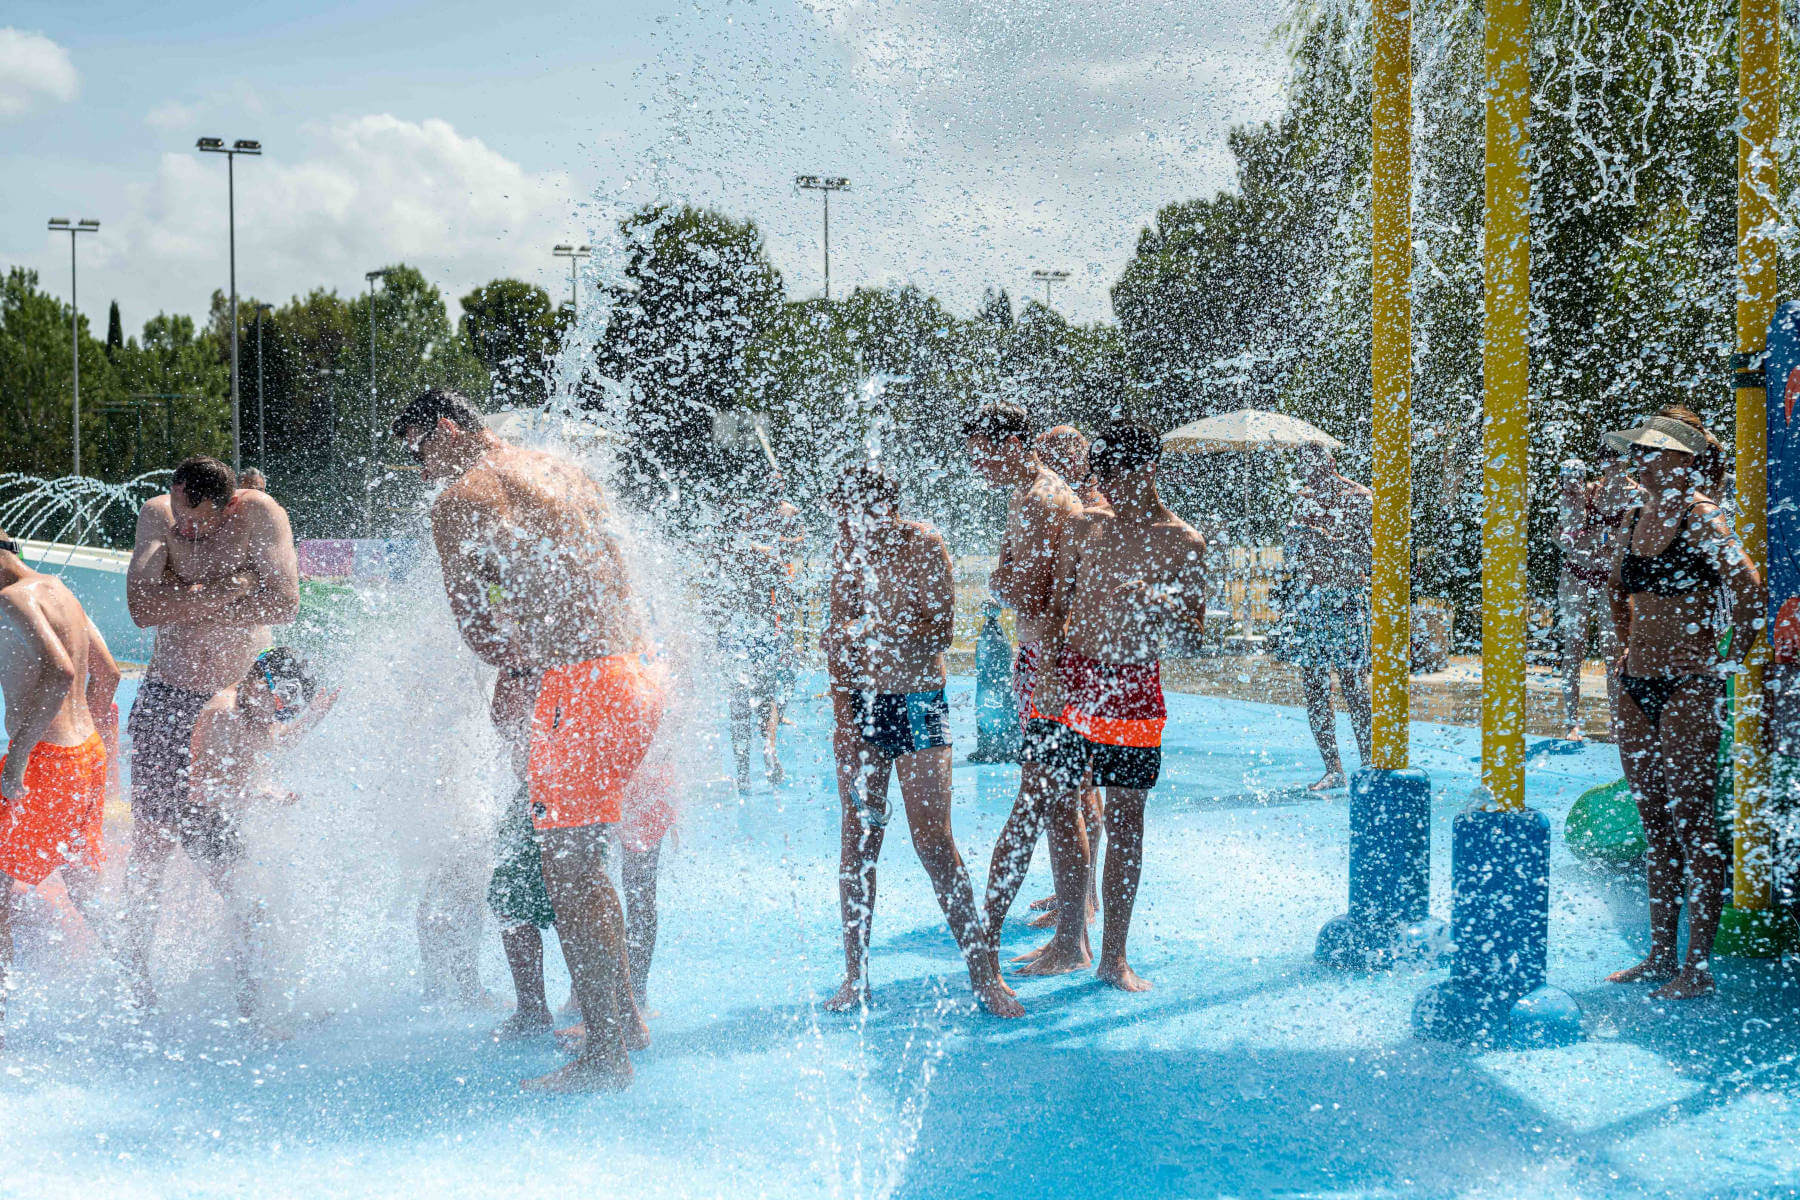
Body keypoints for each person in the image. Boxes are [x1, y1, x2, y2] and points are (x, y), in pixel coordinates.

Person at [393, 387, 658, 1092]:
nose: (423, 472)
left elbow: (478, 630)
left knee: (573, 876)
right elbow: (620, 574)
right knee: (587, 866)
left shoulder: (460, 500)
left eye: (419, 451)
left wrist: (523, 664)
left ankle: (605, 1057)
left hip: (578, 687)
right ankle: (623, 1021)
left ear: (446, 430)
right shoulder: (562, 469)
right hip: (632, 674)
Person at [820, 463, 1021, 1018]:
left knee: (934, 843)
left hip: (916, 703)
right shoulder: (845, 550)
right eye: (842, 516)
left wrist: (883, 617)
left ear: (886, 506)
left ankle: (984, 973)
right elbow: (836, 641)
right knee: (857, 845)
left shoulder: (924, 543)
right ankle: (855, 978)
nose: (848, 525)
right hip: (861, 708)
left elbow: (938, 629)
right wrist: (841, 719)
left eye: (857, 513)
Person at [1031, 420, 1207, 991]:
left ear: (1149, 470)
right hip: (1074, 679)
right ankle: (1068, 939)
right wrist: (1052, 675)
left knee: (1127, 821)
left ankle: (1115, 956)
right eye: (1102, 479)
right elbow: (1056, 608)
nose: (1110, 492)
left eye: (1119, 479)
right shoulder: (1086, 528)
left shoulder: (1183, 542)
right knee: (1060, 804)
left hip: (1133, 687)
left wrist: (1158, 601)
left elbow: (1193, 640)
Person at [122, 456, 299, 1009]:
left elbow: (284, 603)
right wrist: (229, 589)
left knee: (233, 848)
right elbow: (139, 609)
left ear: (226, 507)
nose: (181, 527)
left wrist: (185, 600)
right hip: (166, 696)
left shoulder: (260, 515)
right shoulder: (157, 517)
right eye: (175, 512)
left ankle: (254, 986)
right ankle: (136, 980)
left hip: (233, 708)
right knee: (149, 846)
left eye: (193, 518)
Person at [1604, 408, 1761, 1001]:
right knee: (1655, 824)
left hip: (1689, 687)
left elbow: (1748, 588)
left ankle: (1696, 968)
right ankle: (1658, 955)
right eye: (1637, 450)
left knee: (1692, 822)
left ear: (1683, 460)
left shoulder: (1703, 516)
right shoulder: (1636, 516)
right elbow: (1617, 589)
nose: (1638, 460)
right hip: (1635, 685)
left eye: (1651, 450)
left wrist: (1726, 660)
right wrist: (1623, 648)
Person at [962, 403, 1092, 975]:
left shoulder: (1041, 499)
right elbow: (1014, 578)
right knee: (1061, 802)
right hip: (1041, 655)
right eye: (971, 451)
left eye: (985, 449)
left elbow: (1028, 592)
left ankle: (1072, 939)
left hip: (1052, 660)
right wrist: (1006, 574)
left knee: (1053, 800)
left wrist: (1004, 576)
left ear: (1017, 443)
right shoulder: (1024, 493)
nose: (976, 462)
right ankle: (1073, 932)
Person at [0, 531, 120, 1049]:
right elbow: (109, 674)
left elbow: (61, 669)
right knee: (81, 882)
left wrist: (20, 757)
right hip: (84, 754)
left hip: (46, 760)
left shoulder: (13, 600)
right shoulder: (59, 589)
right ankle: (136, 978)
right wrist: (88, 748)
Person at [185, 646, 334, 1031]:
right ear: (256, 681)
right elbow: (202, 790)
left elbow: (275, 745)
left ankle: (269, 1001)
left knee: (268, 913)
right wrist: (261, 796)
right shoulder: (221, 713)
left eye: (286, 705)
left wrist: (315, 717)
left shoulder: (258, 710)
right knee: (251, 915)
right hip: (207, 826)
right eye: (277, 700)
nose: (278, 710)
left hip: (237, 822)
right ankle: (252, 1017)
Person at [1025, 425, 1107, 930]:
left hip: (1071, 657)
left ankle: (1086, 899)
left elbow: (1068, 594)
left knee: (1078, 783)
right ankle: (1072, 893)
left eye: (1067, 453)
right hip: (1052, 653)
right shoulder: (1062, 503)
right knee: (1071, 785)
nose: (1056, 462)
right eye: (1049, 453)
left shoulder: (1087, 509)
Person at [1274, 445, 1374, 790]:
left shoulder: (1360, 497)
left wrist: (1328, 541)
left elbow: (1370, 552)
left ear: (1331, 464)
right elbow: (1293, 551)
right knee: (1315, 686)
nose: (1311, 479)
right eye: (1305, 472)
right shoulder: (1304, 497)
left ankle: (1368, 763)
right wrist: (1297, 542)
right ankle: (1333, 768)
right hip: (1311, 598)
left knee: (1353, 684)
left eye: (1316, 470)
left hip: (1345, 597)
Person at [703, 502, 797, 791]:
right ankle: (769, 750)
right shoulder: (765, 557)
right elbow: (785, 599)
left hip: (735, 638)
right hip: (763, 636)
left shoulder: (719, 561)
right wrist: (788, 637)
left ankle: (743, 773)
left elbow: (711, 607)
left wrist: (714, 642)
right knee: (766, 697)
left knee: (739, 705)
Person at [1557, 454, 1642, 740]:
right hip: (1577, 574)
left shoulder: (1638, 495)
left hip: (1610, 579)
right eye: (1607, 463)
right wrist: (1572, 543)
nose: (1612, 468)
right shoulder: (1588, 492)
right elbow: (1558, 533)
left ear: (1626, 464)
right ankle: (1571, 723)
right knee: (1574, 646)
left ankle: (1617, 722)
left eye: (1617, 463)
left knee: (1612, 650)